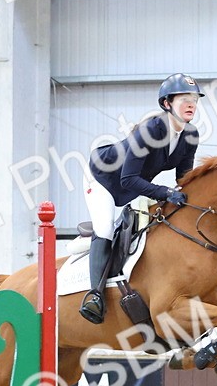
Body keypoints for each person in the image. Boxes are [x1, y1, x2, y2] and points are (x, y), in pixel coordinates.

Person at [79, 73, 203, 323]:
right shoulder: (150, 130)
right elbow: (127, 179)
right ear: (167, 104)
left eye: (195, 99)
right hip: (103, 178)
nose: (191, 104)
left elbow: (184, 178)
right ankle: (94, 296)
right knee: (104, 229)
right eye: (184, 98)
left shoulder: (190, 135)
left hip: (135, 185)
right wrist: (167, 193)